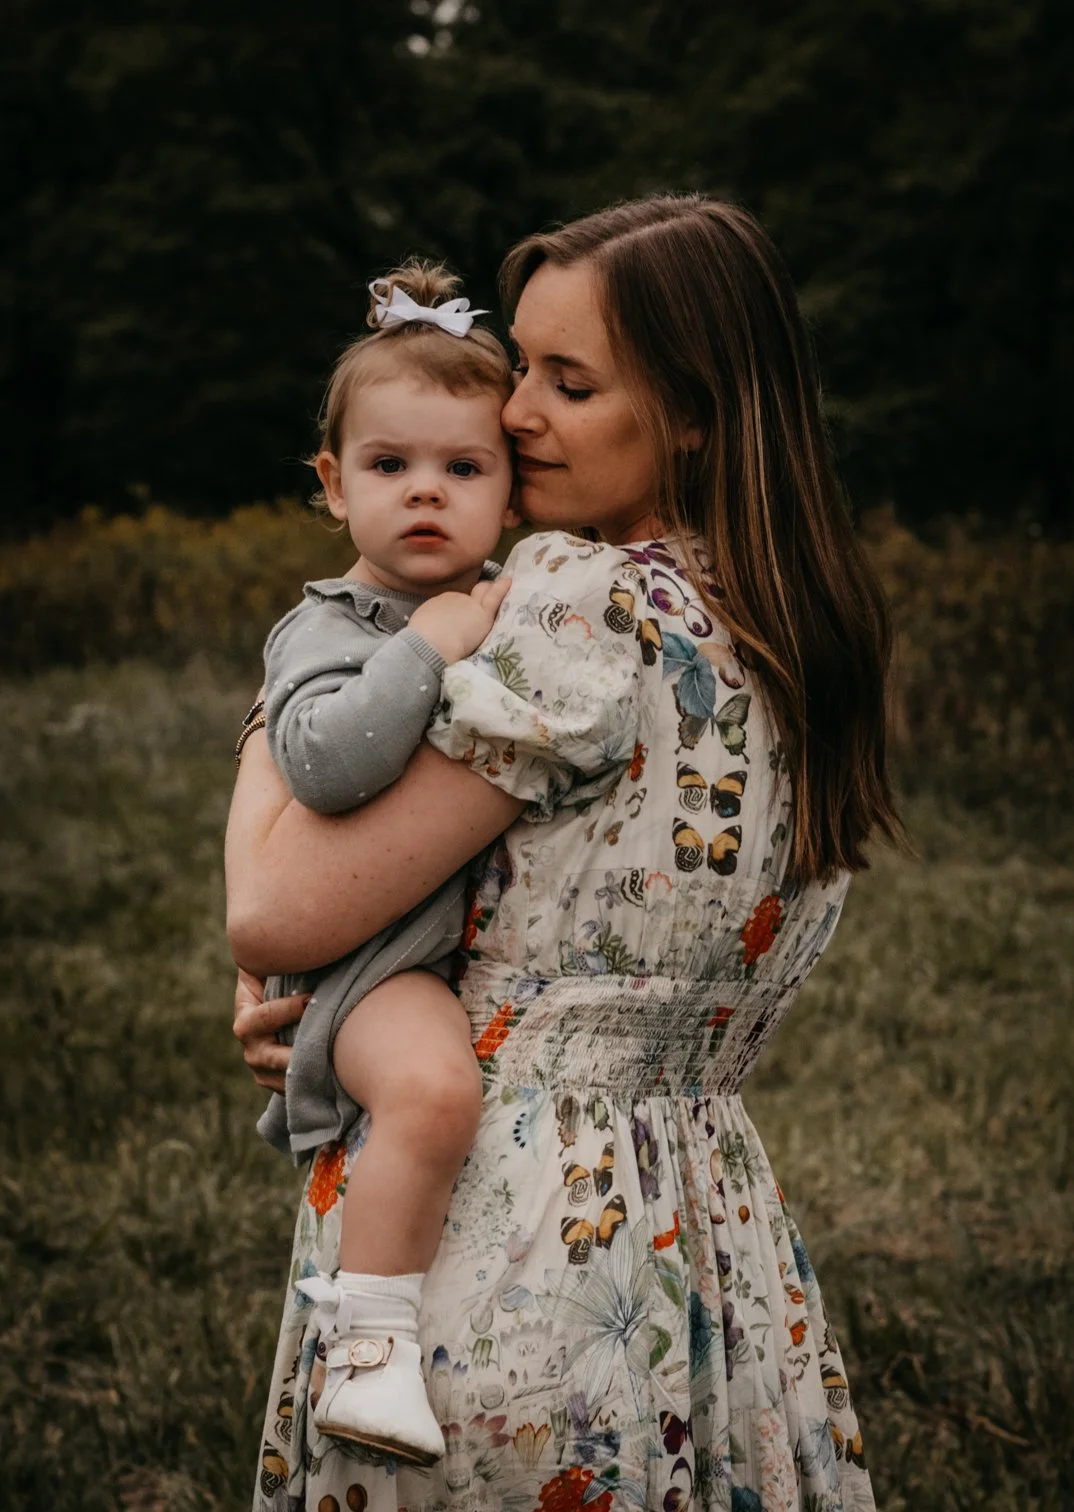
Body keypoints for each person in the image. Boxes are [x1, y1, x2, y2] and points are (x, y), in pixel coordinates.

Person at [227, 193, 902, 1512]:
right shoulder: (801, 629)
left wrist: (287, 685)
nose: (514, 410)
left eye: (570, 382)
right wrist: (354, 1000)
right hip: (710, 1240)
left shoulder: (578, 609)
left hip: (518, 1239)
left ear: (695, 413)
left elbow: (275, 907)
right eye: (522, 363)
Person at [244, 260, 519, 1463]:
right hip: (373, 964)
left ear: (511, 488)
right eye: (389, 466)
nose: (426, 494)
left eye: (463, 470)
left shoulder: (498, 598)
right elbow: (323, 763)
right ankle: (366, 1347)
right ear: (331, 483)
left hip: (431, 947)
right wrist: (434, 642)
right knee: (433, 1091)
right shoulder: (332, 625)